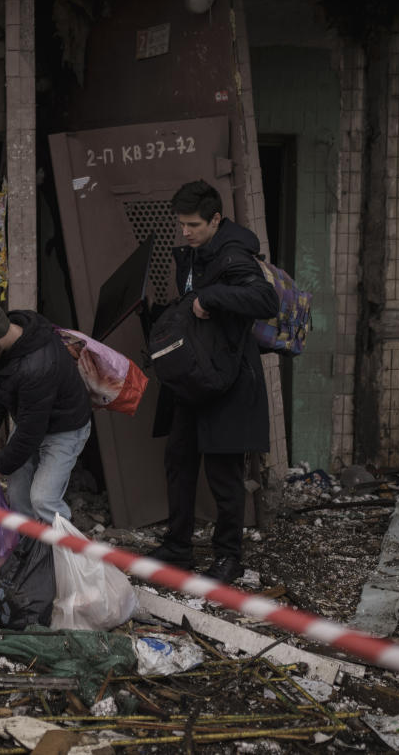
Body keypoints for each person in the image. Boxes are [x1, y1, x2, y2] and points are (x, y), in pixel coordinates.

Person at [149, 180, 279, 584]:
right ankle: (178, 546)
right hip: (195, 378)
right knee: (179, 460)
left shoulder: (233, 253)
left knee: (224, 475)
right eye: (181, 224)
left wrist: (213, 297)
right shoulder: (194, 253)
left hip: (229, 381)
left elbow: (265, 301)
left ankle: (229, 557)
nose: (185, 232)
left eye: (193, 224)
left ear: (216, 220)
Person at [0, 292, 92, 524]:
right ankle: (28, 551)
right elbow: (0, 387)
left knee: (43, 500)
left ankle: (66, 556)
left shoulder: (37, 366)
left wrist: (1, 465)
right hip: (33, 421)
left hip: (65, 430)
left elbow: (30, 431)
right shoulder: (11, 340)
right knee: (18, 497)